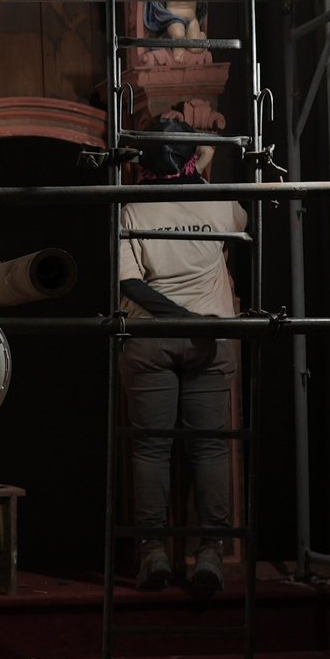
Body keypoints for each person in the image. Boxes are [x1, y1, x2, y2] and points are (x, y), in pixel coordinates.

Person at [118, 124, 246, 592]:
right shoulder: (219, 201)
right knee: (211, 446)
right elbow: (238, 222)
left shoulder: (131, 207)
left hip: (151, 338)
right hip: (211, 338)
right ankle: (210, 553)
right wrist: (198, 322)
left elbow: (129, 283)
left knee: (151, 447)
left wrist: (176, 317)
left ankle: (153, 553)